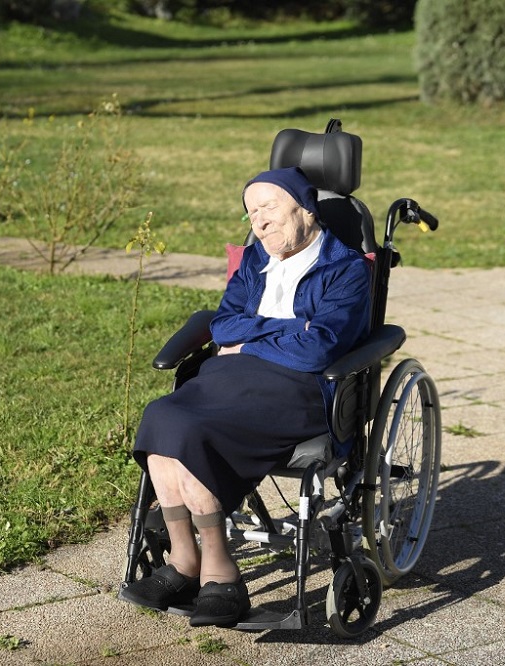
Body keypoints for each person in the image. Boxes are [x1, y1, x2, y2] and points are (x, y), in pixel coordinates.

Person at [118, 166, 372, 627]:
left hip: (296, 389)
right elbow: (222, 325)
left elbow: (320, 347)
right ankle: (184, 561)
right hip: (228, 374)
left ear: (305, 208)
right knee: (161, 418)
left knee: (191, 429)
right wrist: (289, 329)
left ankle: (220, 571)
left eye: (269, 207)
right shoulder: (254, 262)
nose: (259, 221)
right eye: (251, 213)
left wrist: (253, 339)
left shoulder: (347, 268)